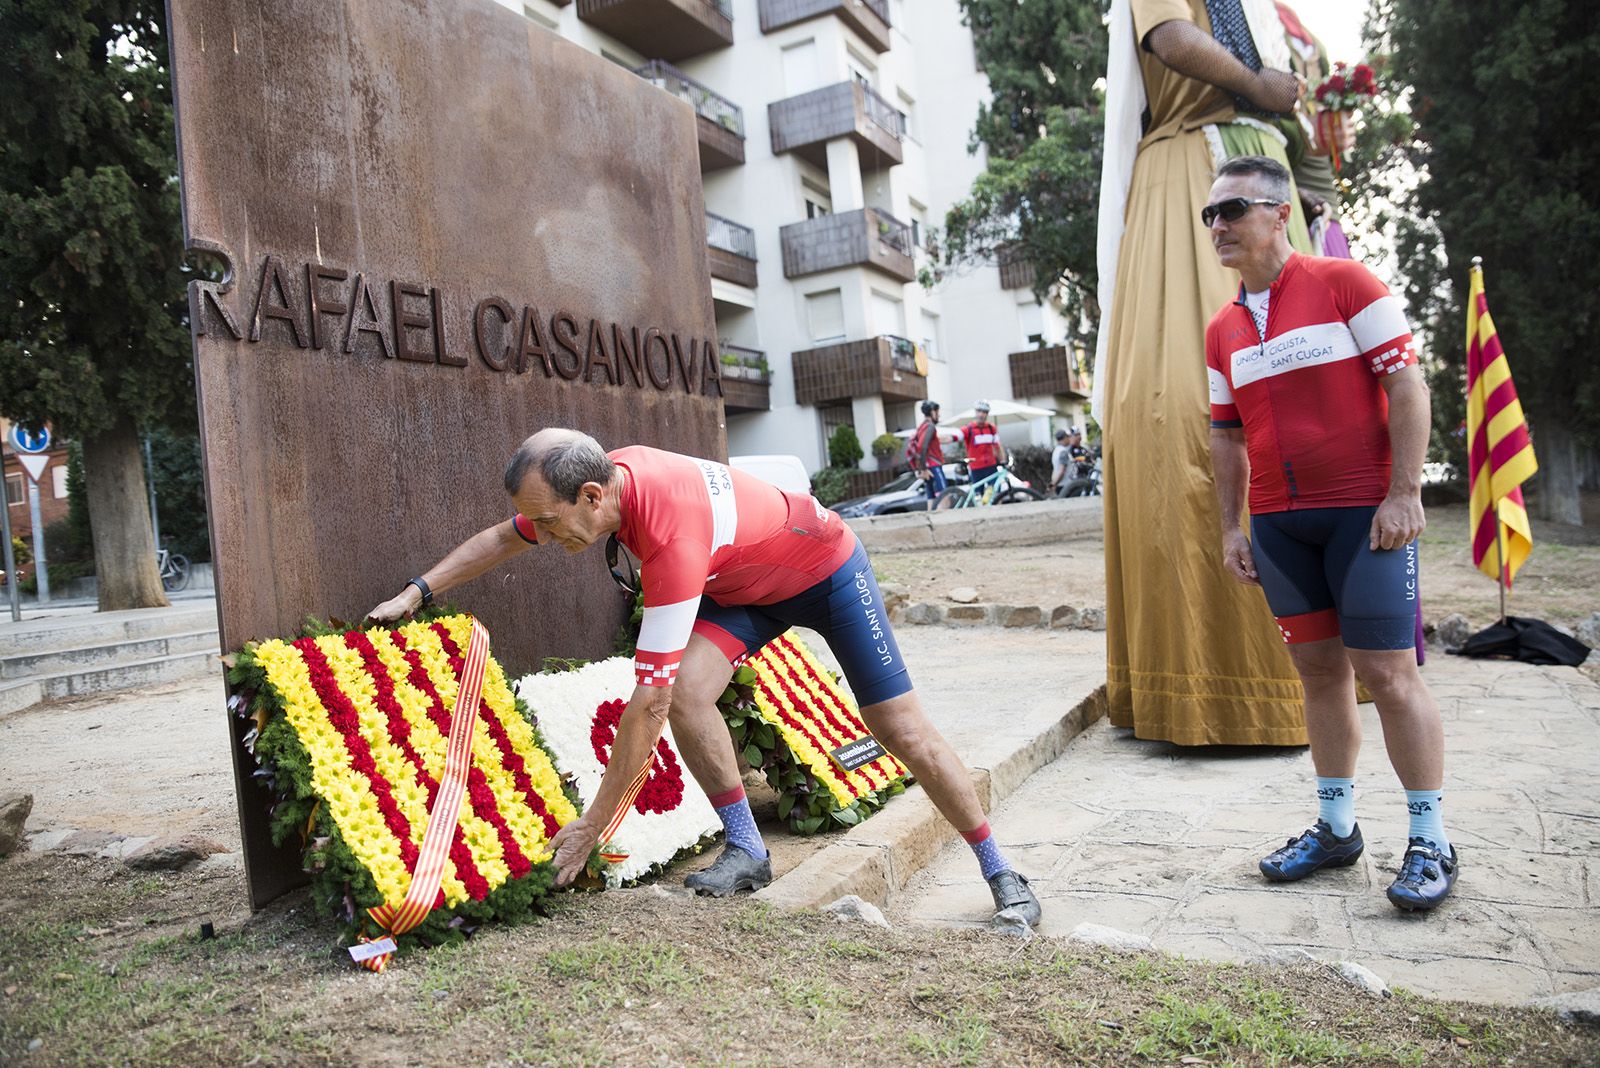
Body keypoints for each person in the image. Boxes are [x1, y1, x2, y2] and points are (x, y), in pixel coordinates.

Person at [369, 429, 1043, 923]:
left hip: (826, 571)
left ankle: (1000, 871)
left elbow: (647, 706)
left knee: (899, 729)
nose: (543, 537)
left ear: (595, 495)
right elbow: (502, 536)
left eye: (550, 522)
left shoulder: (672, 538)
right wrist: (417, 591)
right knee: (694, 693)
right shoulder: (599, 479)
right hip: (745, 586)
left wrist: (592, 828)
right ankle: (748, 850)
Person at [1202, 155, 1456, 910]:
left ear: (1280, 214)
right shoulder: (1221, 329)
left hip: (1364, 517)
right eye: (1210, 214)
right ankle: (1338, 827)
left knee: (1388, 676)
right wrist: (1231, 527)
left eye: (1234, 209)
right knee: (1319, 674)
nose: (1219, 225)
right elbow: (1225, 436)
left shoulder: (1347, 284)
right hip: (1279, 527)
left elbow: (1406, 383)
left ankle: (1431, 838)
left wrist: (1405, 492)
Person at [1092, 0, 1317, 746]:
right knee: (1193, 400)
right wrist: (1260, 84)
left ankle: (1325, 663)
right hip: (1195, 165)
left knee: (1307, 393)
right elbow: (1171, 39)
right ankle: (1206, 682)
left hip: (1256, 163)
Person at [905, 400, 956, 509]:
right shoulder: (930, 427)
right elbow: (922, 446)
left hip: (927, 466)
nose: (939, 415)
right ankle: (946, 521)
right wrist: (923, 468)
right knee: (945, 495)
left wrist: (922, 467)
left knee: (931, 497)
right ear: (932, 412)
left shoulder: (921, 426)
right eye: (937, 412)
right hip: (933, 466)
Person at [958, 401, 1008, 490]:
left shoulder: (991, 428)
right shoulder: (968, 428)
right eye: (979, 411)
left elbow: (998, 446)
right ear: (975, 412)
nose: (981, 414)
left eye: (984, 412)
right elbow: (954, 437)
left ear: (987, 414)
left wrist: (1003, 461)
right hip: (975, 468)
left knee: (994, 493)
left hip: (991, 467)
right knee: (978, 496)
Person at [1048, 427, 1090, 495]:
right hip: (1066, 485)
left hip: (1059, 484)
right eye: (1068, 437)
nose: (1069, 439)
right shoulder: (1063, 452)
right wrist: (1053, 484)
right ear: (1064, 438)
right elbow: (1062, 471)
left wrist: (1053, 483)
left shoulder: (1056, 451)